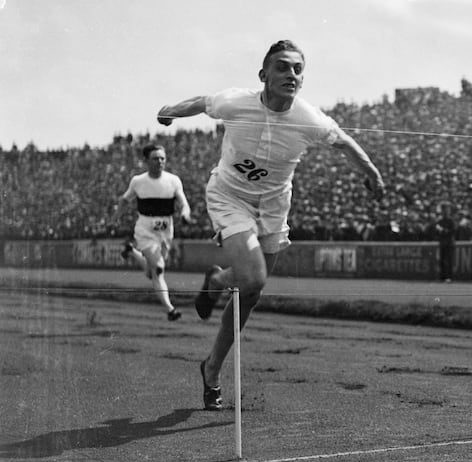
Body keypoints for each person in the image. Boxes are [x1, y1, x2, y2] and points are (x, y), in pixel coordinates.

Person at [156, 40, 385, 410]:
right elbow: (201, 102)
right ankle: (219, 283)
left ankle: (212, 366)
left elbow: (342, 142)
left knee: (250, 294)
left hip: (274, 207)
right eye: (282, 67)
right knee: (253, 277)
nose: (290, 75)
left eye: (297, 69)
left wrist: (372, 173)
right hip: (230, 197)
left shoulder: (309, 118)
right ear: (263, 75)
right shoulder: (236, 102)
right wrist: (169, 111)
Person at [114, 143, 192, 321]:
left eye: (162, 158)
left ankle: (132, 252)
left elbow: (184, 203)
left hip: (166, 230)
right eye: (156, 158)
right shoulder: (138, 181)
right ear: (146, 161)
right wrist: (116, 216)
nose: (160, 162)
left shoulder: (173, 180)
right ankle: (170, 309)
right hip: (145, 230)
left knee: (153, 272)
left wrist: (185, 213)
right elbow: (125, 199)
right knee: (158, 269)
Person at [436, 201, 457, 282]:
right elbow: (437, 233)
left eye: (446, 209)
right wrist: (439, 231)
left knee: (449, 261)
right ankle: (442, 277)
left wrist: (443, 231)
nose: (445, 211)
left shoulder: (451, 221)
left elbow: (453, 231)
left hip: (449, 243)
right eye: (443, 209)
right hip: (443, 243)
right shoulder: (440, 221)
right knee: (442, 261)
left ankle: (449, 277)